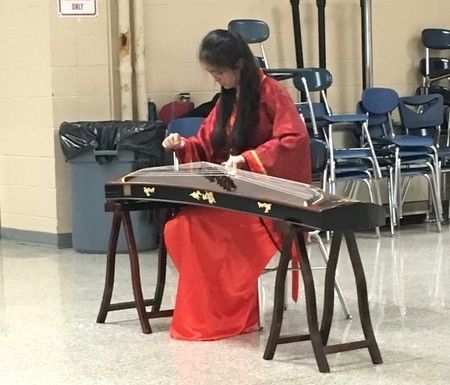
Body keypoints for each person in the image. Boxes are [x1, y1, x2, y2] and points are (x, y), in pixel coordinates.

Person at [162, 29, 311, 341]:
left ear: (239, 65)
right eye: (212, 73)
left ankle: (232, 316)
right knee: (180, 227)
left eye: (219, 71)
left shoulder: (272, 93)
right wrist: (181, 145)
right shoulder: (227, 99)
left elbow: (294, 141)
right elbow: (206, 144)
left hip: (267, 202)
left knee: (202, 231)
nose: (217, 78)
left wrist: (249, 158)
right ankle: (211, 312)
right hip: (238, 197)